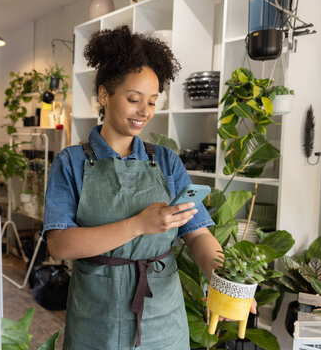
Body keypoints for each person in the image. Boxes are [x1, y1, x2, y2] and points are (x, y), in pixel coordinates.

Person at [42, 25, 229, 350]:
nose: (145, 111)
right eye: (133, 99)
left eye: (153, 101)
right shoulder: (71, 162)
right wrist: (138, 225)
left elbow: (197, 233)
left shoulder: (167, 162)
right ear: (104, 95)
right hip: (96, 318)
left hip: (163, 317)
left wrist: (222, 280)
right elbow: (59, 245)